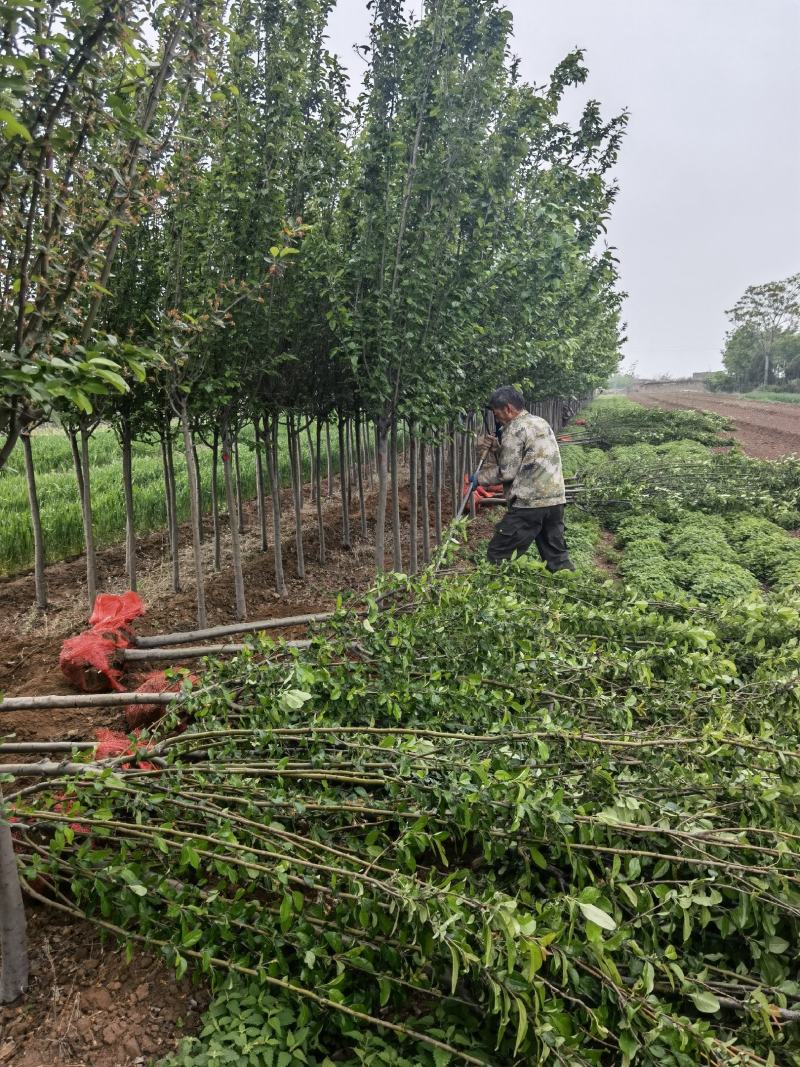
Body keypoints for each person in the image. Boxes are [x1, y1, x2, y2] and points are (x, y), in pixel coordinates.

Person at [472, 385, 575, 571]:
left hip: (530, 504)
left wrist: (478, 479)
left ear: (508, 409)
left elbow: (507, 472)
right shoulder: (539, 422)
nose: (496, 419)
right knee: (556, 555)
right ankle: (570, 588)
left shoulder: (514, 428)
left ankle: (495, 593)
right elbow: (526, 458)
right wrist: (498, 449)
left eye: (496, 414)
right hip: (555, 501)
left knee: (498, 554)